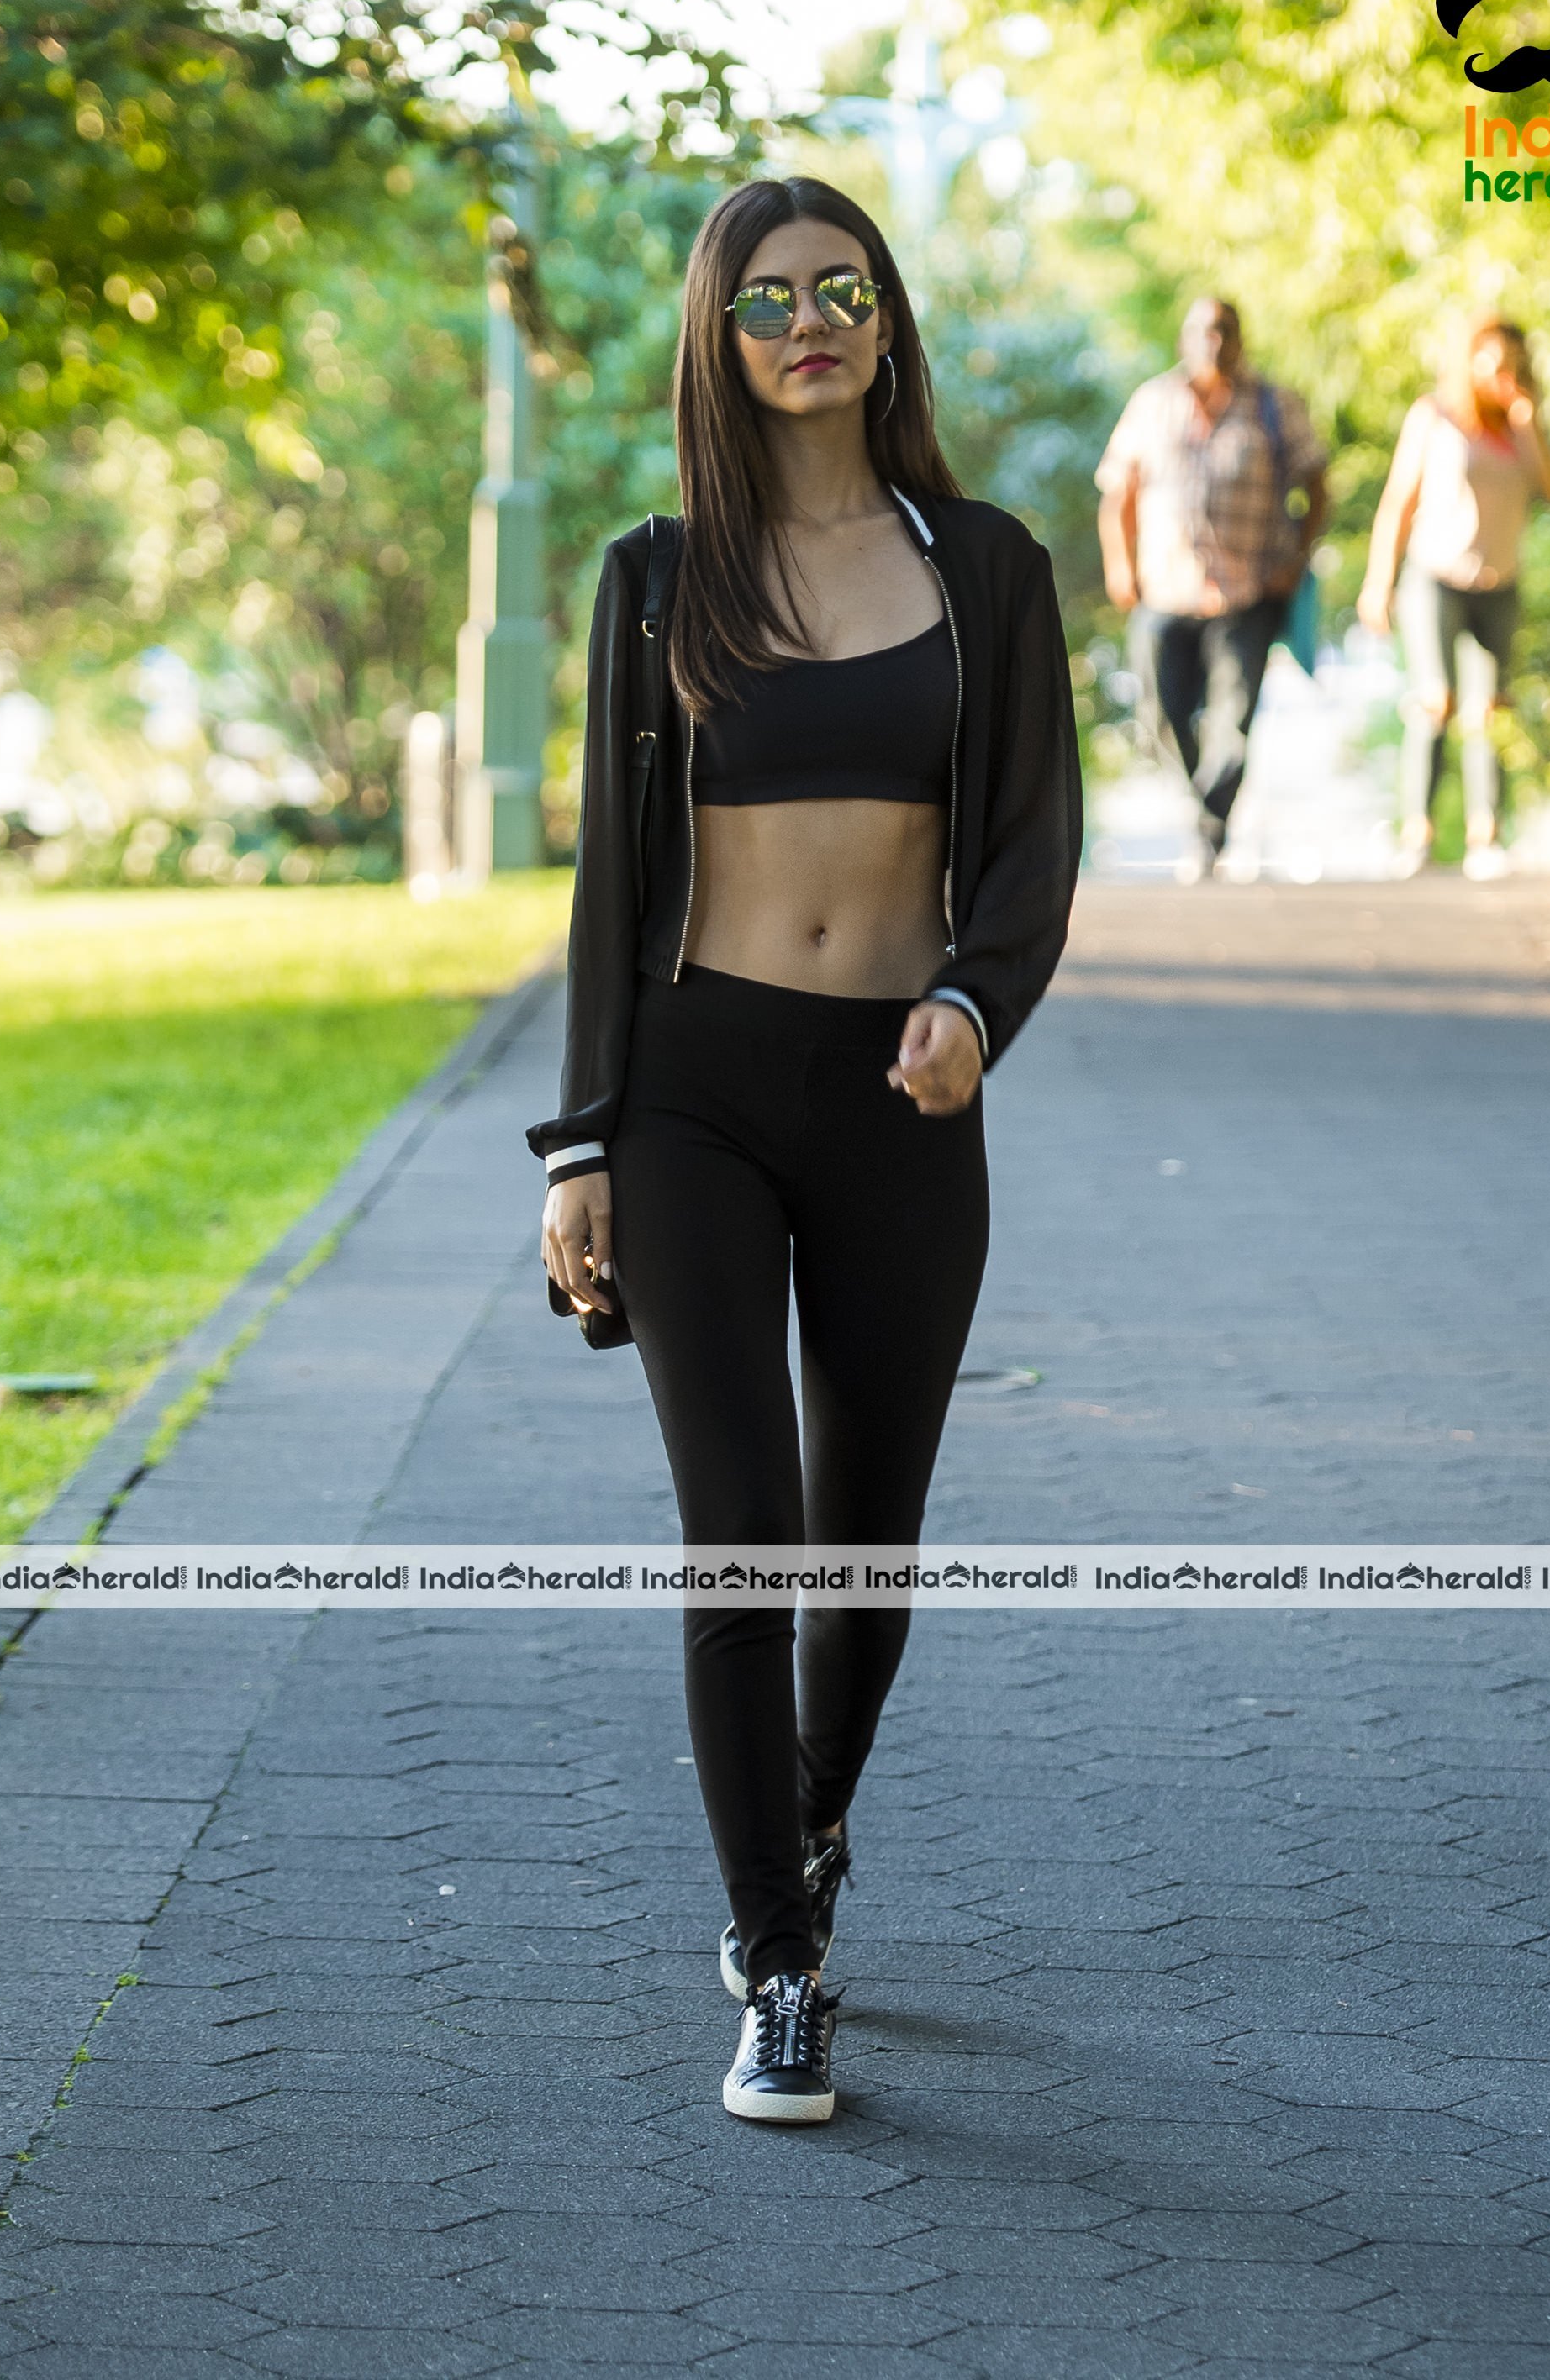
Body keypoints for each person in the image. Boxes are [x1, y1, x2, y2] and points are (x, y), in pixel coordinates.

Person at [532, 176, 1081, 2125]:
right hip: (691, 1088)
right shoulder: (658, 576)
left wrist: (971, 1003)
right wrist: (574, 1142)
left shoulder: (985, 566)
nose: (808, 322)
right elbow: (613, 884)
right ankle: (776, 1951)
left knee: (864, 1540)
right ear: (721, 338)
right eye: (767, 300)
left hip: (903, 1095)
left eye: (840, 288)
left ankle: (811, 1824)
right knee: (738, 1533)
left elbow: (1024, 838)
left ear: (883, 319)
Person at [1096, 297, 1328, 880]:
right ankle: (1206, 812)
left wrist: (1295, 558)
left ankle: (1208, 834)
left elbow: (1318, 482)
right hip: (1164, 591)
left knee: (1233, 719)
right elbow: (1117, 493)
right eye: (1202, 330)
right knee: (1160, 713)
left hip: (1247, 591)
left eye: (1224, 330)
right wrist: (1120, 567)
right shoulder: (1152, 402)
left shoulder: (1275, 406)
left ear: (1241, 338)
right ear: (1183, 338)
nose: (1213, 340)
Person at [1358, 314, 1550, 880]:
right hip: (1435, 576)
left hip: (1500, 580)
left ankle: (1486, 837)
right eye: (1494, 362)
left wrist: (1530, 424)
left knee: (1491, 708)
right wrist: (1379, 581)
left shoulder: (1522, 428)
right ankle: (1417, 834)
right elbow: (1399, 500)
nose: (1504, 373)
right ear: (1471, 361)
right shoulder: (1436, 416)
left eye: (1514, 365)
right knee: (1437, 699)